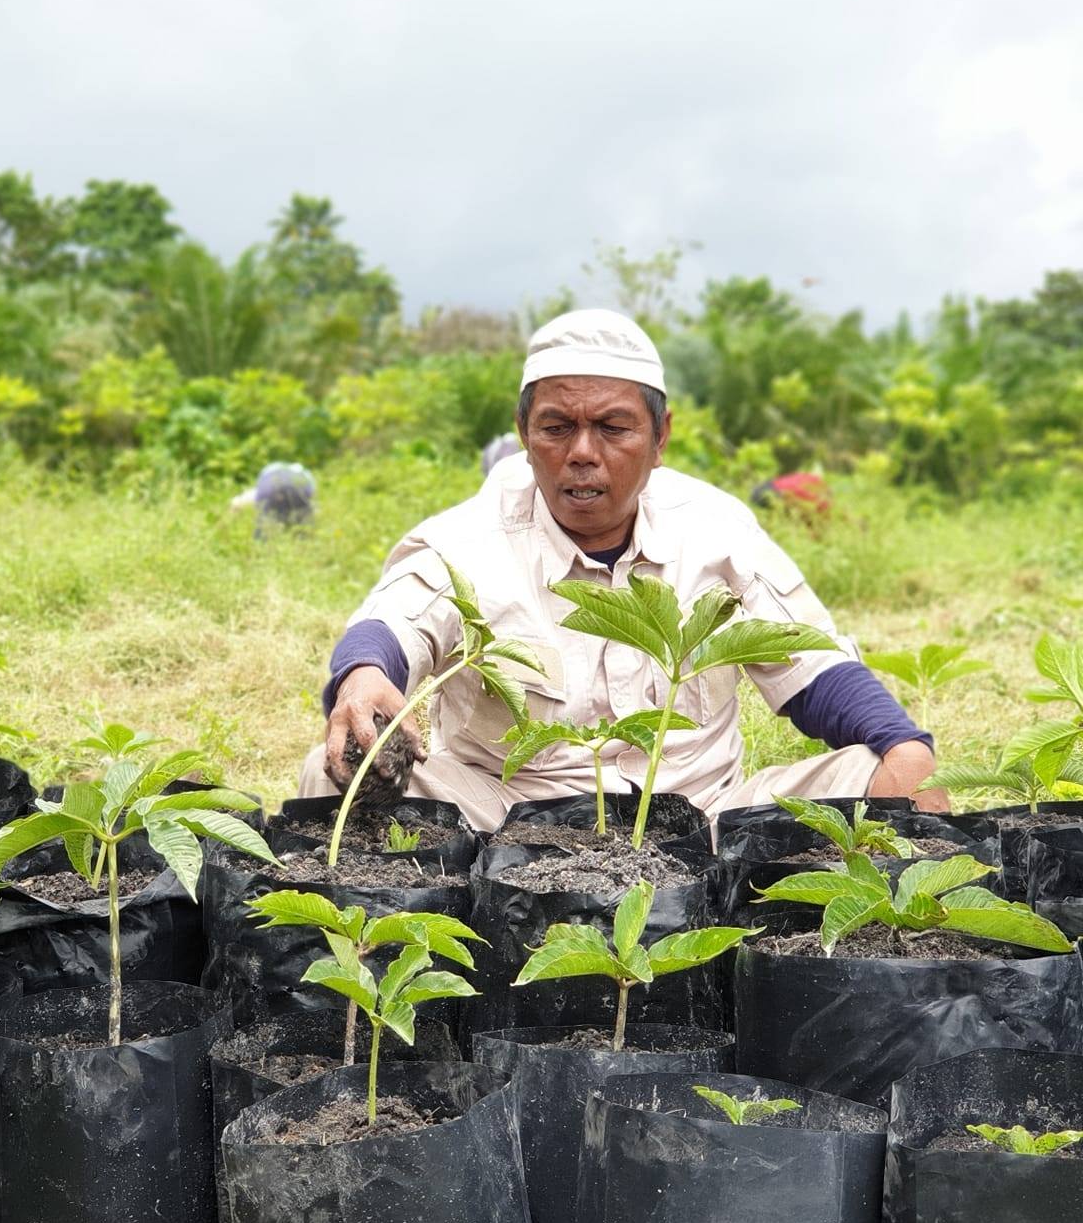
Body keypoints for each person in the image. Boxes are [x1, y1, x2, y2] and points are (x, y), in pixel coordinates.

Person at [297, 307, 944, 831]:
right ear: (524, 435)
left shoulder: (713, 530)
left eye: (613, 427)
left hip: (705, 823)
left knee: (877, 776)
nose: (582, 453)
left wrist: (902, 744)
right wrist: (361, 680)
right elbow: (393, 621)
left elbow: (813, 669)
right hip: (506, 824)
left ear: (660, 439)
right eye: (556, 427)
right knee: (333, 780)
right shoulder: (470, 537)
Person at [232, 461, 316, 535]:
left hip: (270, 486)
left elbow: (245, 499)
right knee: (302, 527)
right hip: (302, 488)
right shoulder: (305, 474)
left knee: (264, 528)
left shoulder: (270, 470)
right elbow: (312, 498)